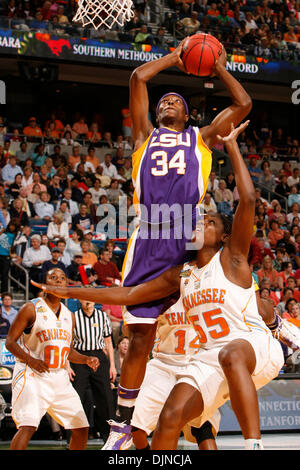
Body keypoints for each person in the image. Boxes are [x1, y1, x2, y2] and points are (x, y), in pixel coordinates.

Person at [32, 42, 252, 448]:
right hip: (149, 237)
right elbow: (138, 77)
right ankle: (120, 426)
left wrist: (218, 67)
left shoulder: (201, 139)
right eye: (163, 101)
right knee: (139, 340)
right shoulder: (143, 136)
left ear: (188, 115)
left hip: (188, 238)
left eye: (176, 101)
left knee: (205, 321)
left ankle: (208, 404)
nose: (168, 103)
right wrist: (178, 56)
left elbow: (242, 102)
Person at [5, 268, 100, 450]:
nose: (58, 281)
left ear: (66, 284)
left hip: (59, 378)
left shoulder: (69, 315)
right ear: (45, 284)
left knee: (81, 428)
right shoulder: (31, 308)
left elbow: (68, 350)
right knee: (28, 426)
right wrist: (31, 360)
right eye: (53, 278)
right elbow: (10, 342)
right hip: (31, 375)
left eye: (62, 278)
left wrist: (86, 358)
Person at [130, 297, 220, 451]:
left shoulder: (204, 290)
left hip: (197, 364)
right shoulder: (163, 290)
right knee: (134, 425)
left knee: (203, 430)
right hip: (163, 364)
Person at [67, 299, 117, 443]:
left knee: (106, 398)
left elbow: (108, 342)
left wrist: (112, 366)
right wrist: (67, 366)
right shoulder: (74, 317)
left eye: (89, 298)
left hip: (99, 357)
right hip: (79, 357)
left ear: (94, 301)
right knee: (77, 398)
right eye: (84, 298)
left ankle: (110, 439)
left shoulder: (103, 316)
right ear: (80, 301)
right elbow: (67, 342)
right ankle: (72, 440)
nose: (87, 301)